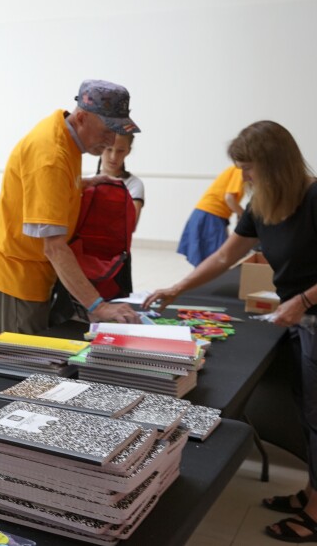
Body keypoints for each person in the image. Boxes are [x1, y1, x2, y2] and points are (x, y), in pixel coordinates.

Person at [142, 121, 317, 543]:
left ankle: (315, 514)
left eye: (248, 167)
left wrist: (305, 301)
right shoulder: (264, 205)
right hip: (299, 321)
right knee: (309, 411)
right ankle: (312, 495)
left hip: (311, 314)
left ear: (274, 164)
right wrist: (177, 287)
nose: (244, 177)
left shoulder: (314, 196)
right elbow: (224, 257)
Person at [0, 79, 143, 335]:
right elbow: (54, 247)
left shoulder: (67, 136)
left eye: (117, 131)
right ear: (82, 117)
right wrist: (98, 306)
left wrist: (84, 183)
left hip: (35, 272)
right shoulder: (51, 155)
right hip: (17, 276)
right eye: (107, 131)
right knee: (26, 364)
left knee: (39, 359)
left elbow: (48, 188)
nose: (111, 140)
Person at [176, 164, 246, 266]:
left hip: (208, 214)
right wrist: (245, 216)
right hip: (210, 215)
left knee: (210, 259)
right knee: (213, 260)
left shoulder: (235, 170)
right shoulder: (240, 170)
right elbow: (229, 198)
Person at [95, 133, 145, 228]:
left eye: (120, 151)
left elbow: (131, 224)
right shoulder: (87, 181)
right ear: (100, 147)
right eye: (109, 149)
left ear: (128, 151)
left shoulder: (134, 184)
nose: (113, 157)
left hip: (116, 242)